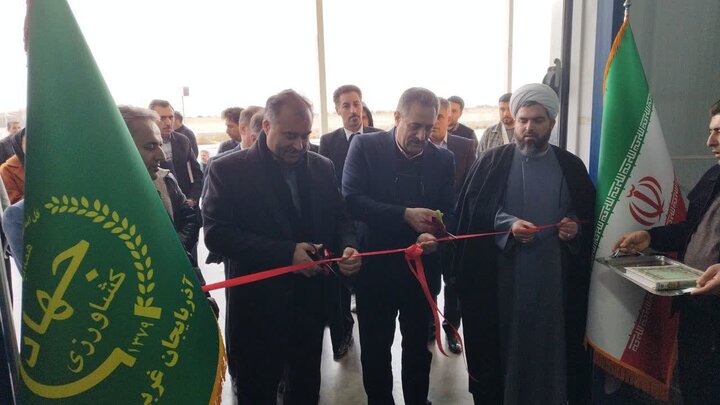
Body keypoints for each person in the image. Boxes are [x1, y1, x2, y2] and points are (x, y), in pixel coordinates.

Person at [203, 89, 361, 404]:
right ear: (266, 126)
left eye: (305, 136)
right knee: (256, 393)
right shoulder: (228, 170)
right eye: (290, 136)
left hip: (309, 308)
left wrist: (348, 247)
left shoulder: (321, 166)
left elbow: (341, 218)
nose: (299, 145)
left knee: (305, 391)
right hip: (257, 312)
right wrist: (286, 254)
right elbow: (217, 234)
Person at [453, 83, 595, 404]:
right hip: (502, 276)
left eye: (537, 121)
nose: (529, 127)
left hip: (554, 278)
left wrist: (574, 226)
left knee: (550, 345)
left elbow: (587, 214)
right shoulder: (491, 161)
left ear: (552, 123)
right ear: (514, 121)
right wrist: (507, 225)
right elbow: (473, 213)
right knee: (505, 346)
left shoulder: (571, 165)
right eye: (523, 120)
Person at [343, 87, 455, 405]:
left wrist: (435, 235)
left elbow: (451, 211)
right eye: (414, 126)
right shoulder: (365, 147)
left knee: (418, 348)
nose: (421, 136)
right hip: (375, 272)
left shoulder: (443, 159)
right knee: (375, 349)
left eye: (428, 128)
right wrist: (404, 215)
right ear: (396, 118)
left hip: (422, 273)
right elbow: (351, 200)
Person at [612, 99, 720, 404]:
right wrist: (650, 237)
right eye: (711, 131)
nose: (709, 141)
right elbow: (690, 231)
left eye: (719, 132)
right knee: (695, 385)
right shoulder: (713, 176)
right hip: (697, 307)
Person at [318, 84, 380, 360]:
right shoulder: (328, 142)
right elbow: (327, 184)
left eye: (357, 104)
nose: (353, 110)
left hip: (371, 221)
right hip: (341, 223)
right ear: (337, 110)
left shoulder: (379, 138)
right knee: (340, 283)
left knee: (370, 280)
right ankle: (343, 333)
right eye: (346, 105)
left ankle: (371, 327)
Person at [428, 97, 475, 354]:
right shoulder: (418, 146)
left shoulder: (465, 146)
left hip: (455, 229)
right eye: (431, 116)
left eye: (439, 117)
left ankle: (452, 330)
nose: (434, 122)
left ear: (449, 119)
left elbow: (471, 189)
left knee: (453, 282)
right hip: (423, 230)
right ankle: (429, 325)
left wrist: (455, 224)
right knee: (428, 281)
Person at [149, 99, 203, 205]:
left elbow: (196, 172)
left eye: (171, 117)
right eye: (162, 118)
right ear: (150, 119)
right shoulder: (144, 145)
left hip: (186, 204)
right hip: (159, 205)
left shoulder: (183, 141)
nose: (168, 123)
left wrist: (193, 198)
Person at [0, 130, 26, 204]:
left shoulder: (46, 164)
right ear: (20, 144)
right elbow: (12, 201)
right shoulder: (7, 169)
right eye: (28, 143)